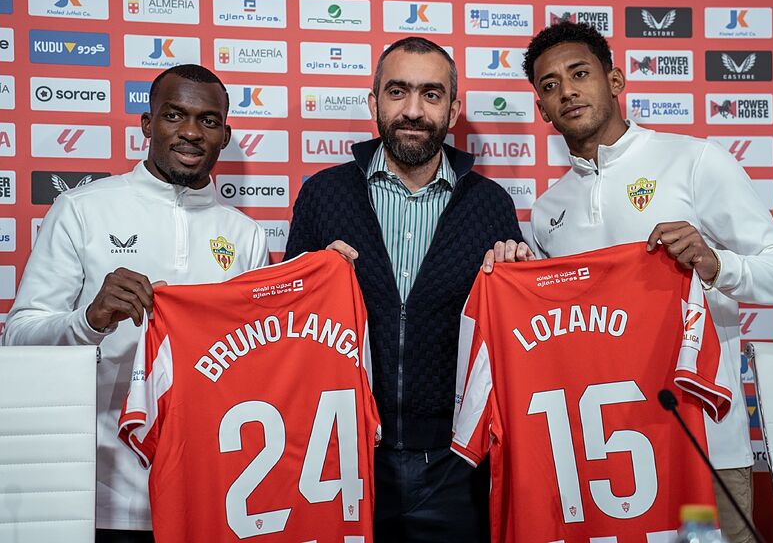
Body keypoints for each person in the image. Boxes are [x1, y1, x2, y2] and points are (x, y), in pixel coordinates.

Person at [484, 22, 773, 543]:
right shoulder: (547, 212)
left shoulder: (695, 161)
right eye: (548, 85)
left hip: (705, 447)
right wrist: (517, 273)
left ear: (614, 80)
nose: (566, 90)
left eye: (579, 73)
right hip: (599, 458)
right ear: (541, 110)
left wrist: (716, 264)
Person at [2, 64, 269, 542]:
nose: (190, 132)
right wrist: (90, 320)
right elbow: (19, 338)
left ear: (225, 136)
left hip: (209, 495)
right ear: (148, 124)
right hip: (100, 496)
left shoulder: (245, 236)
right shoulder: (82, 209)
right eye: (174, 115)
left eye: (208, 121)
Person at [285, 37, 523, 542]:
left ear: (454, 109)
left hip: (457, 466)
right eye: (398, 92)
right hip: (342, 460)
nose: (413, 110)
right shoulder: (323, 194)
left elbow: (511, 335)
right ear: (374, 104)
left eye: (431, 95)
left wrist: (519, 273)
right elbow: (286, 325)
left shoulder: (491, 203)